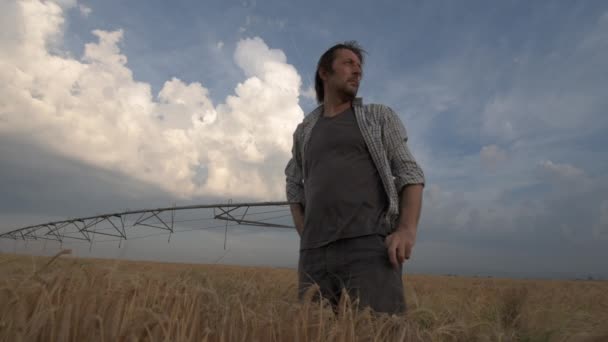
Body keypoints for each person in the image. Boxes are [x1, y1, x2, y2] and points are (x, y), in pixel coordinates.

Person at [284, 41, 425, 315]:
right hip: (313, 257)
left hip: (368, 249)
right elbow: (293, 183)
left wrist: (406, 229)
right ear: (324, 72)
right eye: (349, 63)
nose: (357, 71)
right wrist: (306, 235)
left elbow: (410, 171)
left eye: (359, 67)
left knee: (378, 332)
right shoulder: (305, 131)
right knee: (314, 334)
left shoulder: (378, 117)